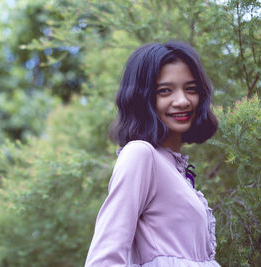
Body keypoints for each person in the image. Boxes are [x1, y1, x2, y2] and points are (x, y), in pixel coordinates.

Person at [84, 41, 220, 266]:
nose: (182, 101)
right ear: (143, 98)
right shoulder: (140, 155)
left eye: (191, 89)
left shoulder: (174, 169)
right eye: (165, 91)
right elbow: (103, 259)